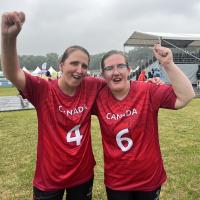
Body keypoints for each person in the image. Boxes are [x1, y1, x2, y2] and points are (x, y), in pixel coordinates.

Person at [1, 11, 105, 200]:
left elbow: (119, 84)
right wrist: (9, 38)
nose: (79, 70)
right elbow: (12, 73)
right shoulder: (43, 90)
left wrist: (151, 83)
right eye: (74, 63)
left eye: (84, 66)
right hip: (49, 177)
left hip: (82, 175)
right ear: (61, 65)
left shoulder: (92, 85)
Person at [94, 45, 195, 200]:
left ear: (129, 70)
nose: (115, 72)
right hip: (117, 181)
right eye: (109, 68)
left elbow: (186, 97)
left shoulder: (147, 90)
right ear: (102, 74)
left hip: (149, 178)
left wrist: (168, 64)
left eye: (121, 66)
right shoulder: (98, 98)